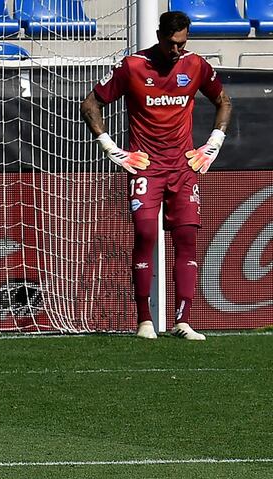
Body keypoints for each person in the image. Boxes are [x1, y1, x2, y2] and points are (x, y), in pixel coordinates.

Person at [81, 10, 231, 341]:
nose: (178, 50)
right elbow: (91, 103)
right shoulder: (133, 66)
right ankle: (144, 320)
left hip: (184, 167)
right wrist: (111, 148)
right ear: (160, 35)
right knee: (146, 235)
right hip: (146, 167)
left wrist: (213, 144)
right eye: (172, 44)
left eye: (183, 43)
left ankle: (184, 320)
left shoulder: (196, 66)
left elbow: (223, 101)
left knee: (187, 241)